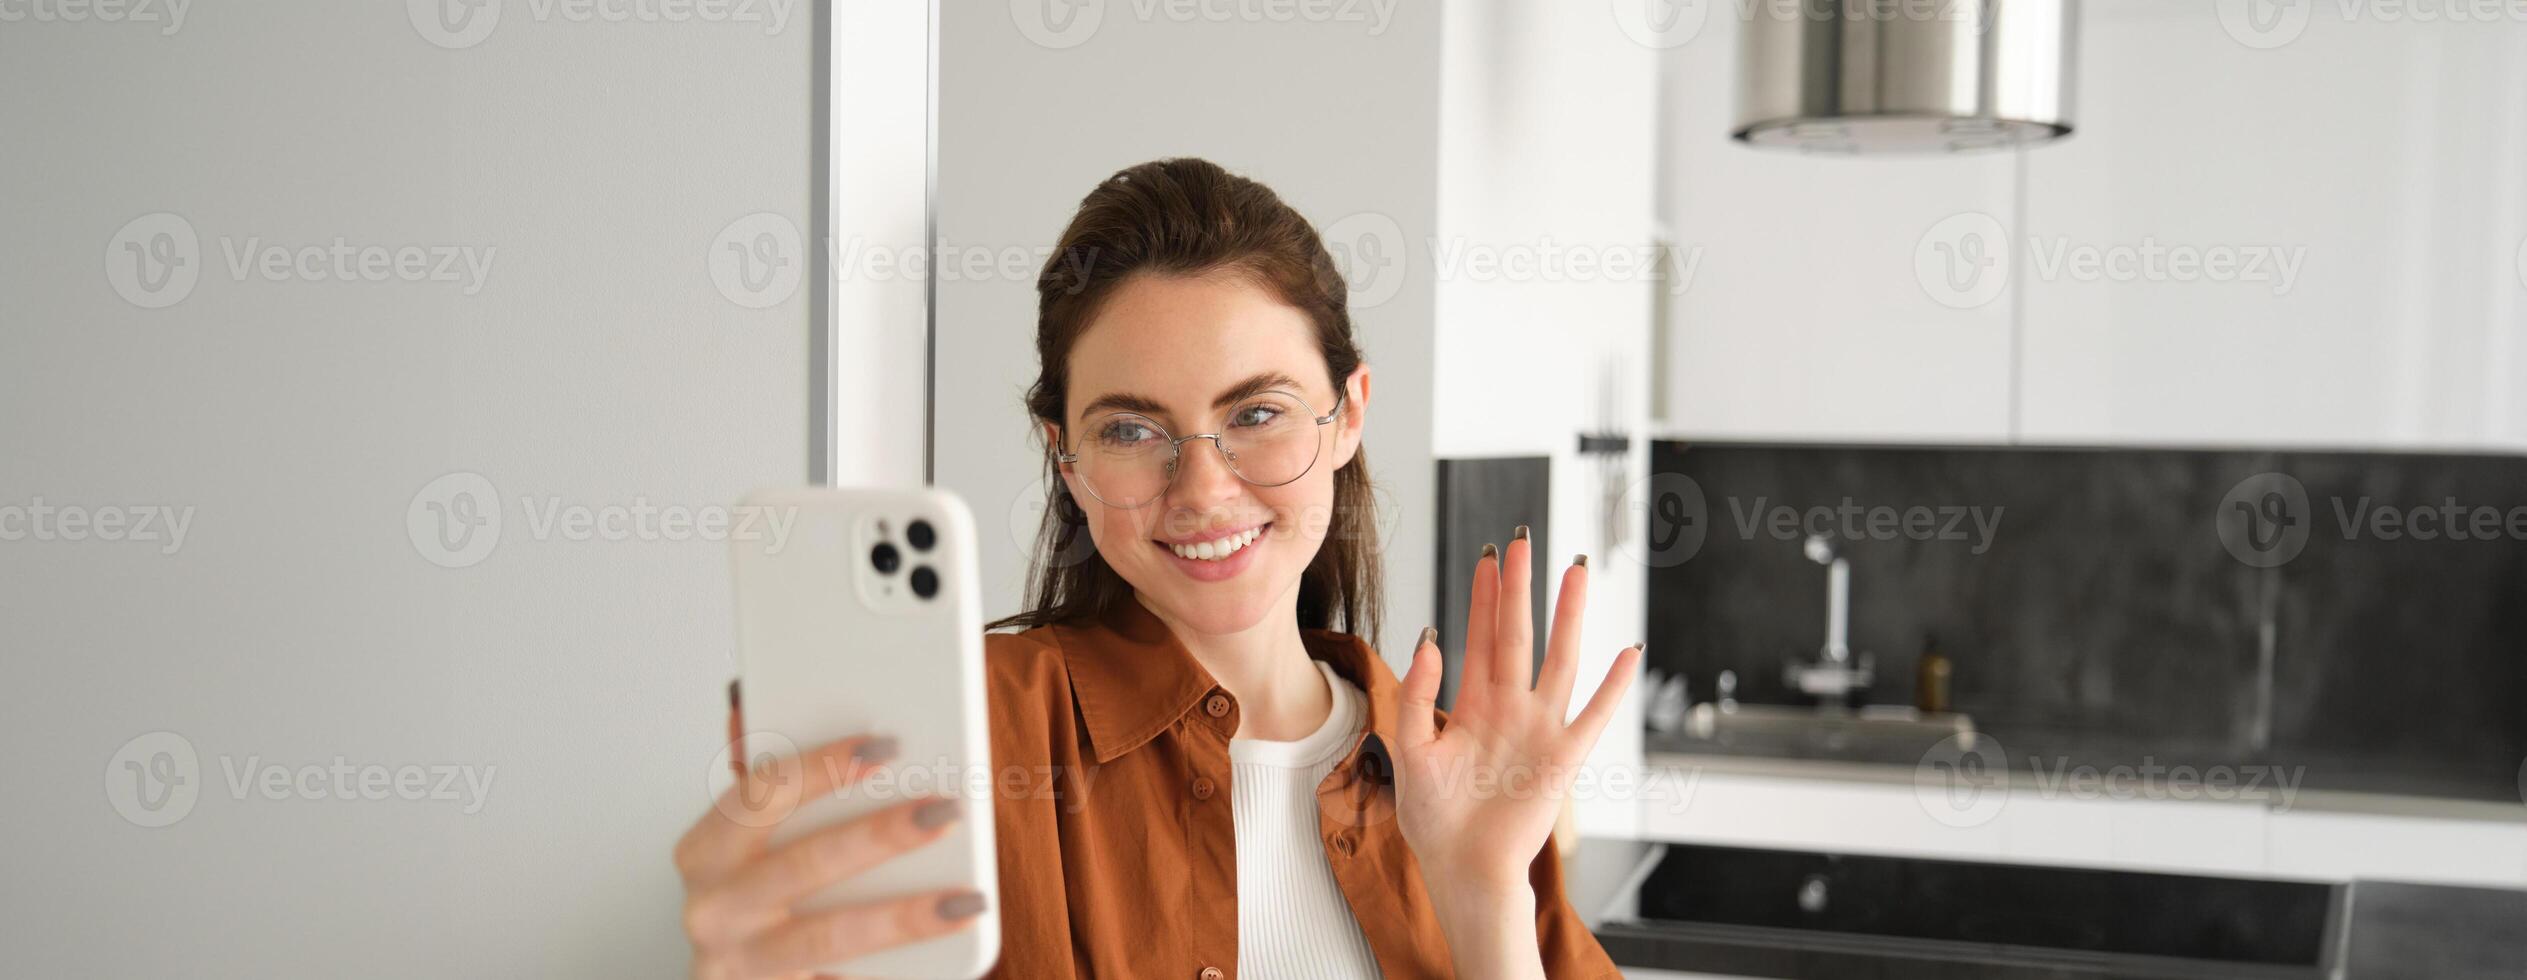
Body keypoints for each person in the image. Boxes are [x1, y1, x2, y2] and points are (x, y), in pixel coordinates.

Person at [673, 157, 1640, 979]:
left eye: (1256, 412)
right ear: (1064, 453)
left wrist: (1486, 912)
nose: (1203, 492)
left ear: (1347, 413)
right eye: (1131, 430)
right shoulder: (960, 731)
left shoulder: (1470, 784)